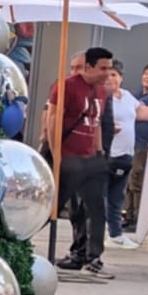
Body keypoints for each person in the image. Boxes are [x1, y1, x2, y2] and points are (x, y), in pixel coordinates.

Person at [50, 46, 115, 278]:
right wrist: (57, 153)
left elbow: (95, 122)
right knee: (57, 205)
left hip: (90, 156)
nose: (107, 73)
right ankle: (26, 241)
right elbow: (52, 118)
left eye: (110, 68)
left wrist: (99, 152)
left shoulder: (101, 92)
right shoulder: (67, 85)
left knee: (96, 208)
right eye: (103, 68)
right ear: (89, 67)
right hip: (68, 154)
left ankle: (93, 255)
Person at [103, 63, 142, 249]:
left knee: (117, 197)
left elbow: (142, 112)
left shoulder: (127, 96)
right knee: (102, 195)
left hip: (126, 154)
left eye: (115, 75)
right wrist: (109, 129)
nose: (111, 78)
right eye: (108, 74)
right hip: (108, 154)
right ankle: (95, 235)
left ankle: (116, 234)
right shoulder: (101, 97)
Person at [124, 62, 148, 230]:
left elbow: (135, 112)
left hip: (143, 144)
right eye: (146, 73)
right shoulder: (137, 94)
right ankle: (129, 214)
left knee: (137, 179)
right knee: (129, 180)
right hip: (131, 142)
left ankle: (137, 218)